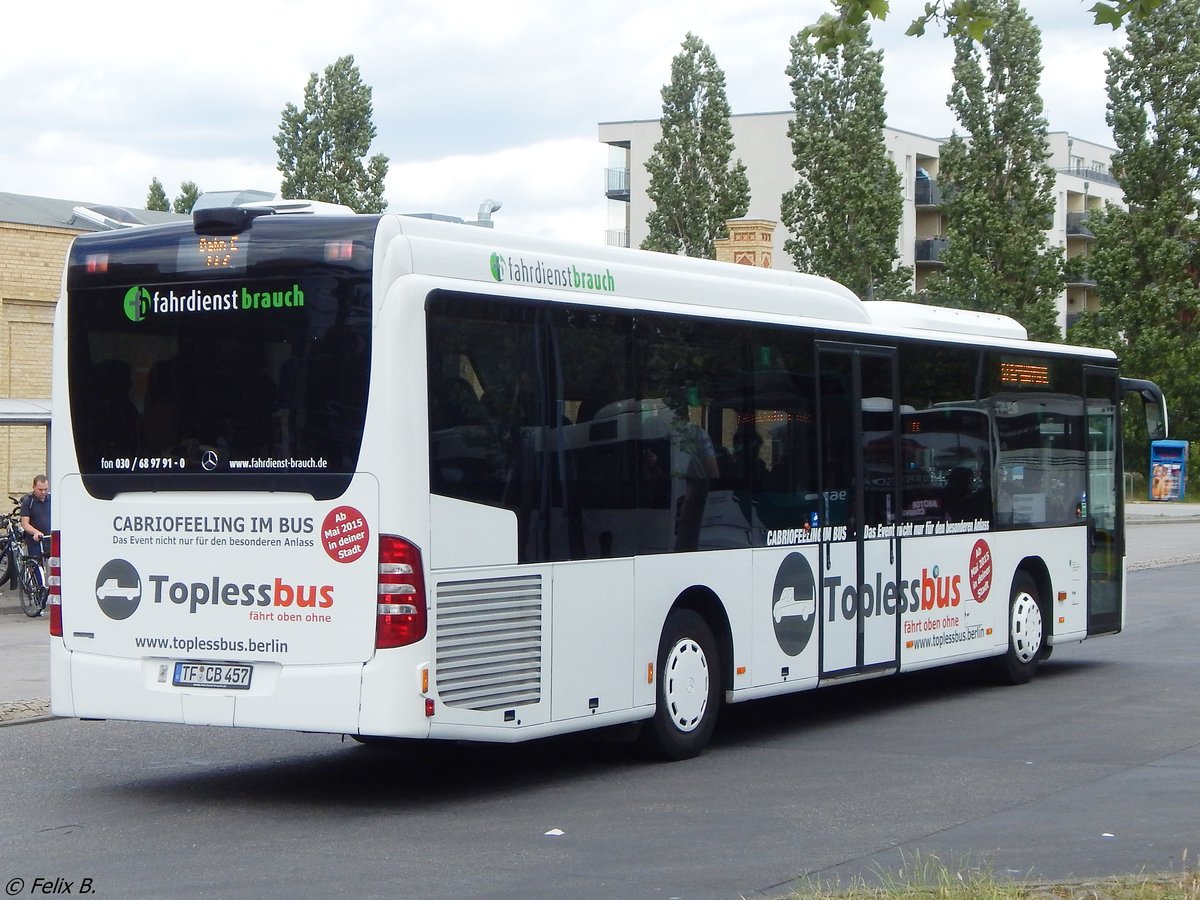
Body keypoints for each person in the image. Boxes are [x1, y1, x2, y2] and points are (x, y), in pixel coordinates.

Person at [20, 474, 51, 561]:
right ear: (34, 487)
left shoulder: (52, 499)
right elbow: (25, 523)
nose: (43, 492)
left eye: (45, 489)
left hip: (50, 539)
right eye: (40, 490)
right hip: (35, 540)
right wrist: (36, 532)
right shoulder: (28, 501)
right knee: (36, 565)